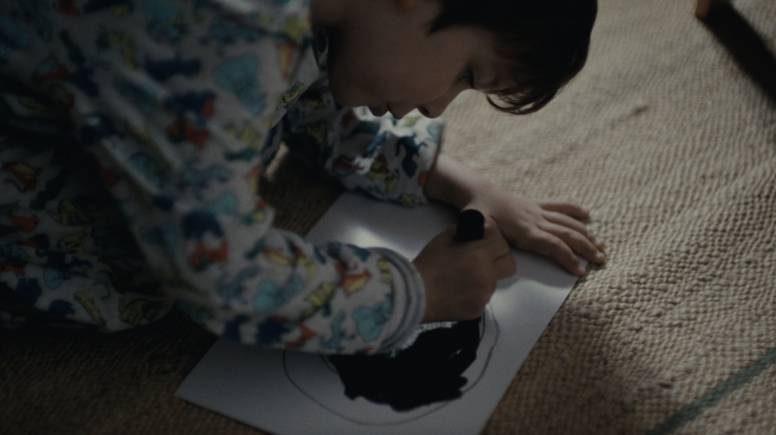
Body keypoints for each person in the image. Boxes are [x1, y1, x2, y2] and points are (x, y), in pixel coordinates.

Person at [0, 0, 605, 353]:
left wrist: (462, 184)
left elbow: (308, 112)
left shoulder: (314, 17)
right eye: (466, 74)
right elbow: (222, 276)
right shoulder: (215, 33)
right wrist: (417, 292)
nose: (437, 105)